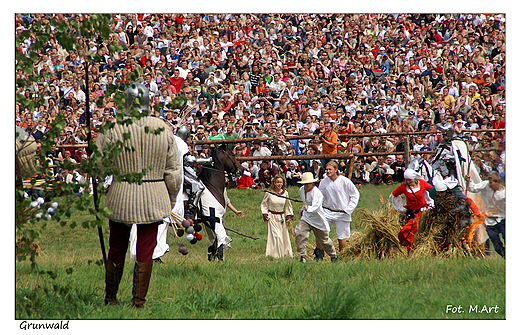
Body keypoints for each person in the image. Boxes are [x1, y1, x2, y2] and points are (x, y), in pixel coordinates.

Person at [96, 83, 182, 308]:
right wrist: (170, 199)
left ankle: (110, 298)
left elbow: (98, 168)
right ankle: (138, 302)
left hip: (120, 194)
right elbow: (173, 172)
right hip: (154, 195)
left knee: (116, 248)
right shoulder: (163, 129)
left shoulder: (112, 129)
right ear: (148, 102)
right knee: (145, 249)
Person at [316, 161, 360, 257]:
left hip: (342, 212)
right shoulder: (324, 182)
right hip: (327, 212)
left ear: (336, 170)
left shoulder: (344, 181)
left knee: (342, 237)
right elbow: (319, 196)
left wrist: (348, 209)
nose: (328, 171)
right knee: (321, 232)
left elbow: (355, 195)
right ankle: (319, 255)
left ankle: (342, 256)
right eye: (327, 169)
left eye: (330, 169)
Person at [294, 172, 338, 263]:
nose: (307, 185)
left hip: (318, 219)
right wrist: (303, 209)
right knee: (300, 232)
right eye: (306, 183)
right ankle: (302, 256)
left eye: (309, 183)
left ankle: (333, 256)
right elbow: (305, 202)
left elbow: (316, 207)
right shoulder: (301, 190)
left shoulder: (317, 192)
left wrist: (308, 208)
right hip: (307, 217)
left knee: (324, 240)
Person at [390, 168, 434, 252]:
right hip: (410, 213)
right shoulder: (403, 187)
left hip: (422, 212)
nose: (408, 182)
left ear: (415, 178)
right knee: (409, 232)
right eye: (406, 180)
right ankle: (411, 249)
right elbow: (394, 195)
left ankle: (413, 249)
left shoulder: (422, 184)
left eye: (410, 180)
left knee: (408, 230)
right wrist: (400, 208)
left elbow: (433, 191)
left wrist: (431, 204)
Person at [464, 172, 505, 258]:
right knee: (497, 246)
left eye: (491, 182)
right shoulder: (485, 185)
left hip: (502, 220)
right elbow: (473, 188)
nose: (489, 184)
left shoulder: (504, 194)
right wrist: (469, 181)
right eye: (489, 182)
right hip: (489, 222)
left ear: (497, 182)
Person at [260, 175, 295, 258]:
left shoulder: (285, 193)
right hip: (272, 216)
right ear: (274, 183)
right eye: (277, 182)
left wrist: (288, 216)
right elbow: (264, 203)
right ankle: (275, 255)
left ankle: (283, 253)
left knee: (283, 235)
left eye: (281, 182)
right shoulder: (269, 193)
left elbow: (288, 205)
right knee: (276, 236)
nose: (279, 184)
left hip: (281, 217)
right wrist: (265, 214)